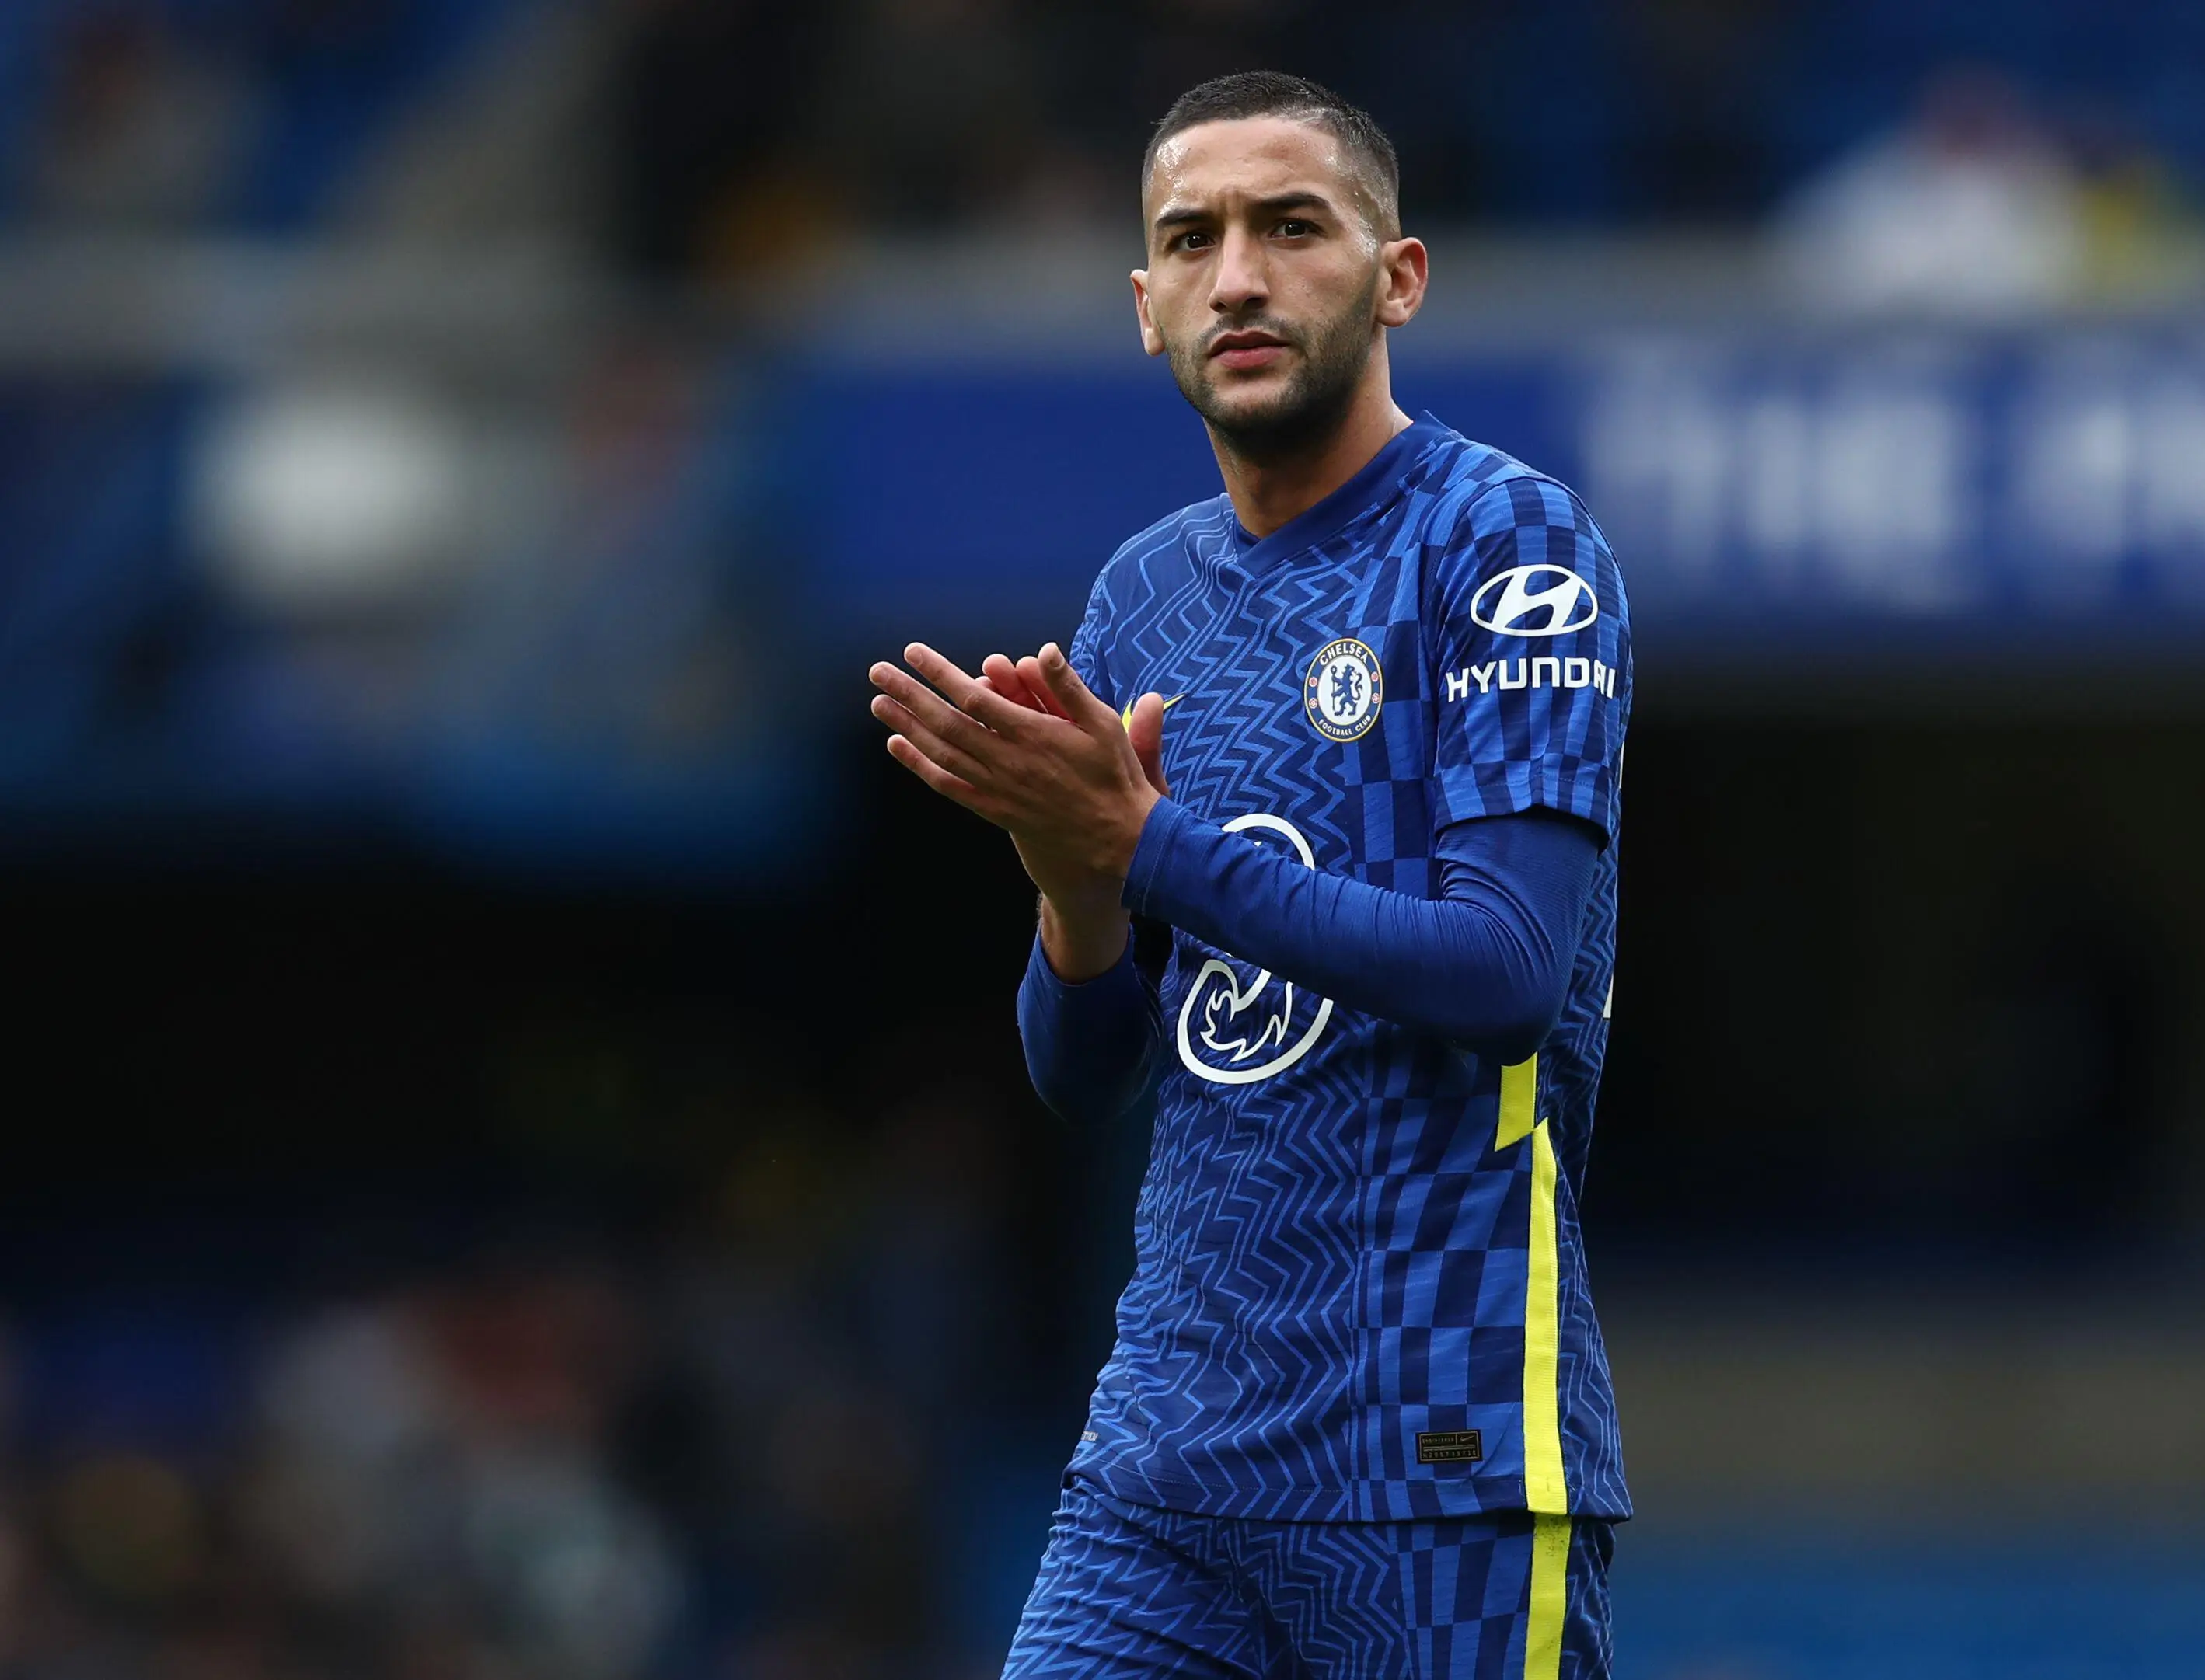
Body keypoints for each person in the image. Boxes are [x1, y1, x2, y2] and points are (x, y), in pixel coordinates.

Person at [868, 71, 1631, 1680]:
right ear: (1143, 308)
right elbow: (1085, 1073)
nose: (1238, 276)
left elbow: (1502, 974)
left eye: (1290, 227)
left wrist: (1143, 844)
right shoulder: (1140, 597)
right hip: (1165, 1465)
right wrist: (1072, 888)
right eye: (1190, 239)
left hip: (1439, 1455)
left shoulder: (1504, 544)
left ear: (1395, 275)